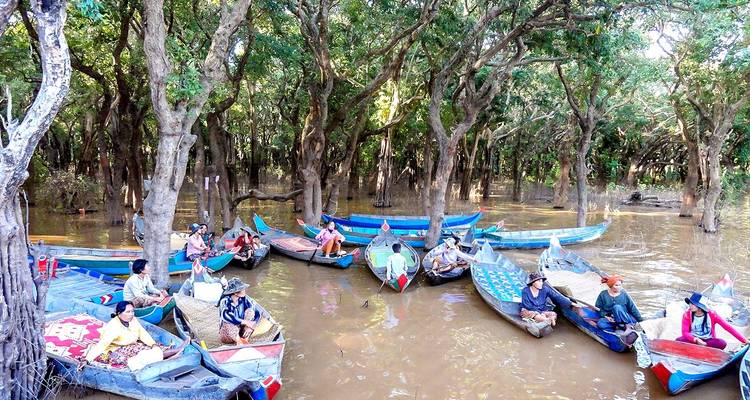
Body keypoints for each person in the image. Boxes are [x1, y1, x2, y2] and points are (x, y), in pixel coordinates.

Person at [83, 301, 187, 367]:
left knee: (154, 348)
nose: (131, 314)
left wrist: (152, 344)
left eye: (132, 311)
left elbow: (142, 333)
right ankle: (176, 351)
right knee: (139, 357)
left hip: (131, 343)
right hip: (116, 349)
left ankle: (169, 355)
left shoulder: (133, 320)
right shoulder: (113, 327)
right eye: (128, 312)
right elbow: (102, 344)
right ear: (119, 314)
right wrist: (87, 360)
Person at [676, 292, 749, 350]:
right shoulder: (687, 315)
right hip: (693, 339)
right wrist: (696, 340)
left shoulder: (712, 315)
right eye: (690, 303)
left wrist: (744, 340)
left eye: (692, 304)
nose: (690, 305)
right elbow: (685, 332)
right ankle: (696, 347)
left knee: (722, 343)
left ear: (700, 307)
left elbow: (728, 327)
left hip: (707, 341)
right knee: (678, 340)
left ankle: (701, 348)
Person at [218, 278, 262, 345]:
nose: (244, 290)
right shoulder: (225, 301)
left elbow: (257, 312)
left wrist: (250, 326)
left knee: (250, 311)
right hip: (227, 335)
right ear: (235, 292)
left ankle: (245, 339)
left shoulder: (244, 299)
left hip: (241, 332)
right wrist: (245, 322)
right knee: (228, 321)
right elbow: (226, 316)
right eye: (242, 289)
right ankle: (239, 342)